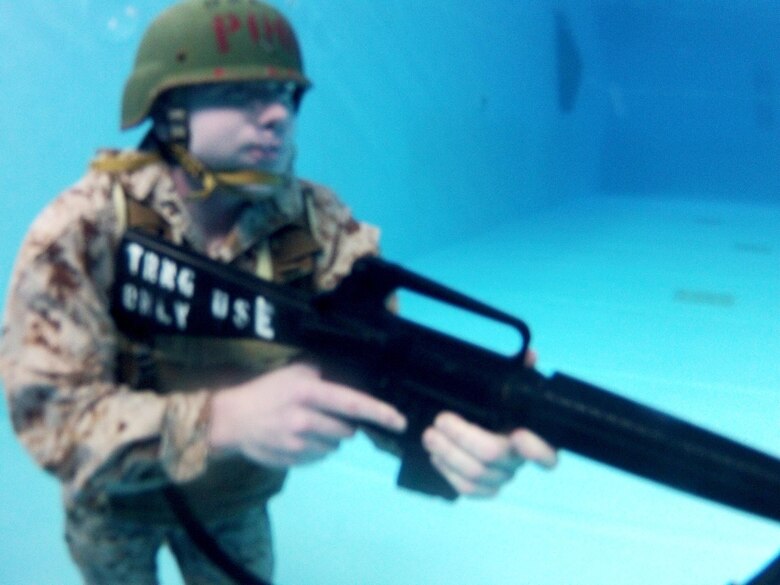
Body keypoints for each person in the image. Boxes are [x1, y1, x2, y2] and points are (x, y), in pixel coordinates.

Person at [0, 1, 557, 583]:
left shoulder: (314, 225)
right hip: (113, 508)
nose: (275, 116)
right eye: (241, 94)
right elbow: (52, 419)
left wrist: (453, 430)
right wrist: (223, 420)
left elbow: (377, 370)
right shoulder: (85, 228)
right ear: (169, 111)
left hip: (234, 503)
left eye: (285, 95)